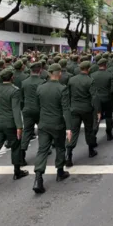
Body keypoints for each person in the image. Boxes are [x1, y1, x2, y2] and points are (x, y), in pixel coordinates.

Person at [33, 63, 72, 194]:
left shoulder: (40, 88)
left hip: (43, 123)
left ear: (49, 73)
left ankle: (38, 178)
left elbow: (37, 106)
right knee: (60, 147)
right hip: (58, 123)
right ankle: (60, 171)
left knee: (42, 150)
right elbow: (66, 109)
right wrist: (69, 128)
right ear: (59, 73)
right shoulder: (62, 89)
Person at [66, 61, 100, 165]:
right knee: (88, 130)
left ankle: (69, 154)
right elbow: (94, 97)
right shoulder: (90, 80)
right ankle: (90, 150)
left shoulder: (72, 79)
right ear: (88, 69)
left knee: (73, 131)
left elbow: (68, 94)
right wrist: (98, 110)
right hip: (87, 109)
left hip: (74, 109)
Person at [19, 62, 45, 166]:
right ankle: (43, 150)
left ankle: (21, 154)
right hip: (39, 109)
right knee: (42, 130)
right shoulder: (42, 82)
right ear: (40, 70)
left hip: (27, 109)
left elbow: (21, 98)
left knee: (27, 131)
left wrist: (23, 109)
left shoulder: (24, 82)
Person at [91, 58, 113, 141]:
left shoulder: (92, 75)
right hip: (108, 99)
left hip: (96, 99)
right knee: (109, 117)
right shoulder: (110, 74)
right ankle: (109, 133)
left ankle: (93, 135)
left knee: (96, 118)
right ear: (105, 65)